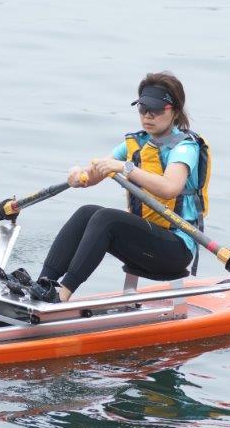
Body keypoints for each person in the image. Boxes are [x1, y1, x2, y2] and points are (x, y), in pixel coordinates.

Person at [21, 71, 210, 303]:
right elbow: (92, 176)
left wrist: (124, 168)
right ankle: (43, 284)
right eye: (143, 108)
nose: (148, 115)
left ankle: (63, 294)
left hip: (176, 250)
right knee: (87, 212)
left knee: (106, 219)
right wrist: (77, 176)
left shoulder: (184, 148)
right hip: (146, 241)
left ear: (175, 111)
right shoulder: (136, 143)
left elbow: (170, 188)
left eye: (156, 109)